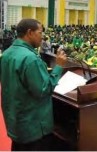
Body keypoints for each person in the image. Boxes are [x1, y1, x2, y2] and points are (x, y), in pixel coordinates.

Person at [0, 19, 67, 151]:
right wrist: (59, 66)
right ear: (30, 33)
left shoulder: (7, 54)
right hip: (33, 127)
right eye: (40, 32)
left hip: (16, 122)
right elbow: (44, 90)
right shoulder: (30, 58)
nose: (42, 37)